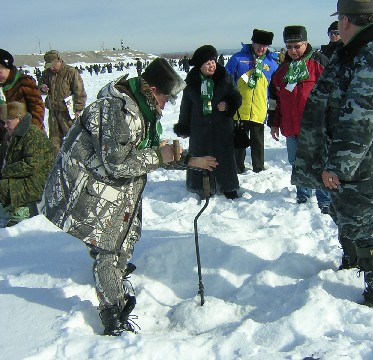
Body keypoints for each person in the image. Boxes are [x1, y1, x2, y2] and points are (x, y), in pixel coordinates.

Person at [39, 58, 218, 336]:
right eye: (166, 97)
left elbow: (146, 153)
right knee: (108, 249)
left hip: (114, 189)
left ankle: (116, 278)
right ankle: (114, 315)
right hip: (88, 188)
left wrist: (190, 161)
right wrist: (160, 155)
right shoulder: (117, 110)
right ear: (152, 89)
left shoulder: (141, 110)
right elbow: (117, 163)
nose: (166, 104)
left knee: (125, 239)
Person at [292, 0, 373, 306]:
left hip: (364, 162)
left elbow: (361, 117)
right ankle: (354, 262)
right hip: (353, 158)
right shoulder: (357, 49)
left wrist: (340, 165)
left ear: (345, 20)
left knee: (362, 218)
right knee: (346, 213)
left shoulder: (372, 54)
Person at [268, 25, 331, 211]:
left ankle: (324, 198)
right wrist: (274, 123)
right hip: (291, 126)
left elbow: (335, 93)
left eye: (297, 46)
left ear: (306, 43)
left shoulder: (320, 63)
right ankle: (303, 194)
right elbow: (274, 100)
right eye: (289, 47)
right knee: (296, 161)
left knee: (319, 161)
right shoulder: (282, 71)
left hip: (316, 127)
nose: (293, 51)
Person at [174, 45, 242, 200]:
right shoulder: (191, 83)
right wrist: (184, 126)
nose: (212, 65)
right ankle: (201, 186)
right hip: (200, 128)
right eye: (207, 63)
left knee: (224, 157)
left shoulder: (225, 78)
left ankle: (228, 186)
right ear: (200, 66)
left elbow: (237, 97)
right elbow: (186, 106)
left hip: (222, 126)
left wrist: (228, 105)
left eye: (213, 61)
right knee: (200, 156)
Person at [226, 29, 278, 173]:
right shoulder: (238, 58)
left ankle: (258, 167)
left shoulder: (271, 63)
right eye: (259, 45)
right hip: (240, 109)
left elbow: (275, 88)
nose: (261, 48)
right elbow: (226, 80)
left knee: (258, 141)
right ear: (253, 43)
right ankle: (237, 167)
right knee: (239, 141)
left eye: (265, 46)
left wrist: (273, 109)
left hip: (259, 109)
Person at [0, 102, 54, 227]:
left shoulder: (32, 134)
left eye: (9, 121)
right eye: (3, 121)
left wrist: (4, 171)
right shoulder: (11, 135)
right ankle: (12, 205)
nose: (5, 125)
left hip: (37, 181)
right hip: (22, 177)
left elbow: (31, 164)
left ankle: (24, 209)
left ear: (20, 118)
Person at [40, 50, 87, 153]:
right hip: (53, 112)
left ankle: (76, 159)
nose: (51, 68)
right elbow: (40, 86)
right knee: (54, 141)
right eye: (49, 66)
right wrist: (42, 88)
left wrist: (79, 109)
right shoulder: (46, 73)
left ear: (60, 61)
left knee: (72, 138)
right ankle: (57, 162)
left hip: (68, 113)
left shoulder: (71, 72)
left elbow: (80, 92)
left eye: (53, 65)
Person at [0, 49, 45, 132]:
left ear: (8, 68)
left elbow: (37, 108)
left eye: (0, 71)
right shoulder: (1, 88)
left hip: (29, 135)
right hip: (9, 137)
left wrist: (31, 130)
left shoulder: (24, 82)